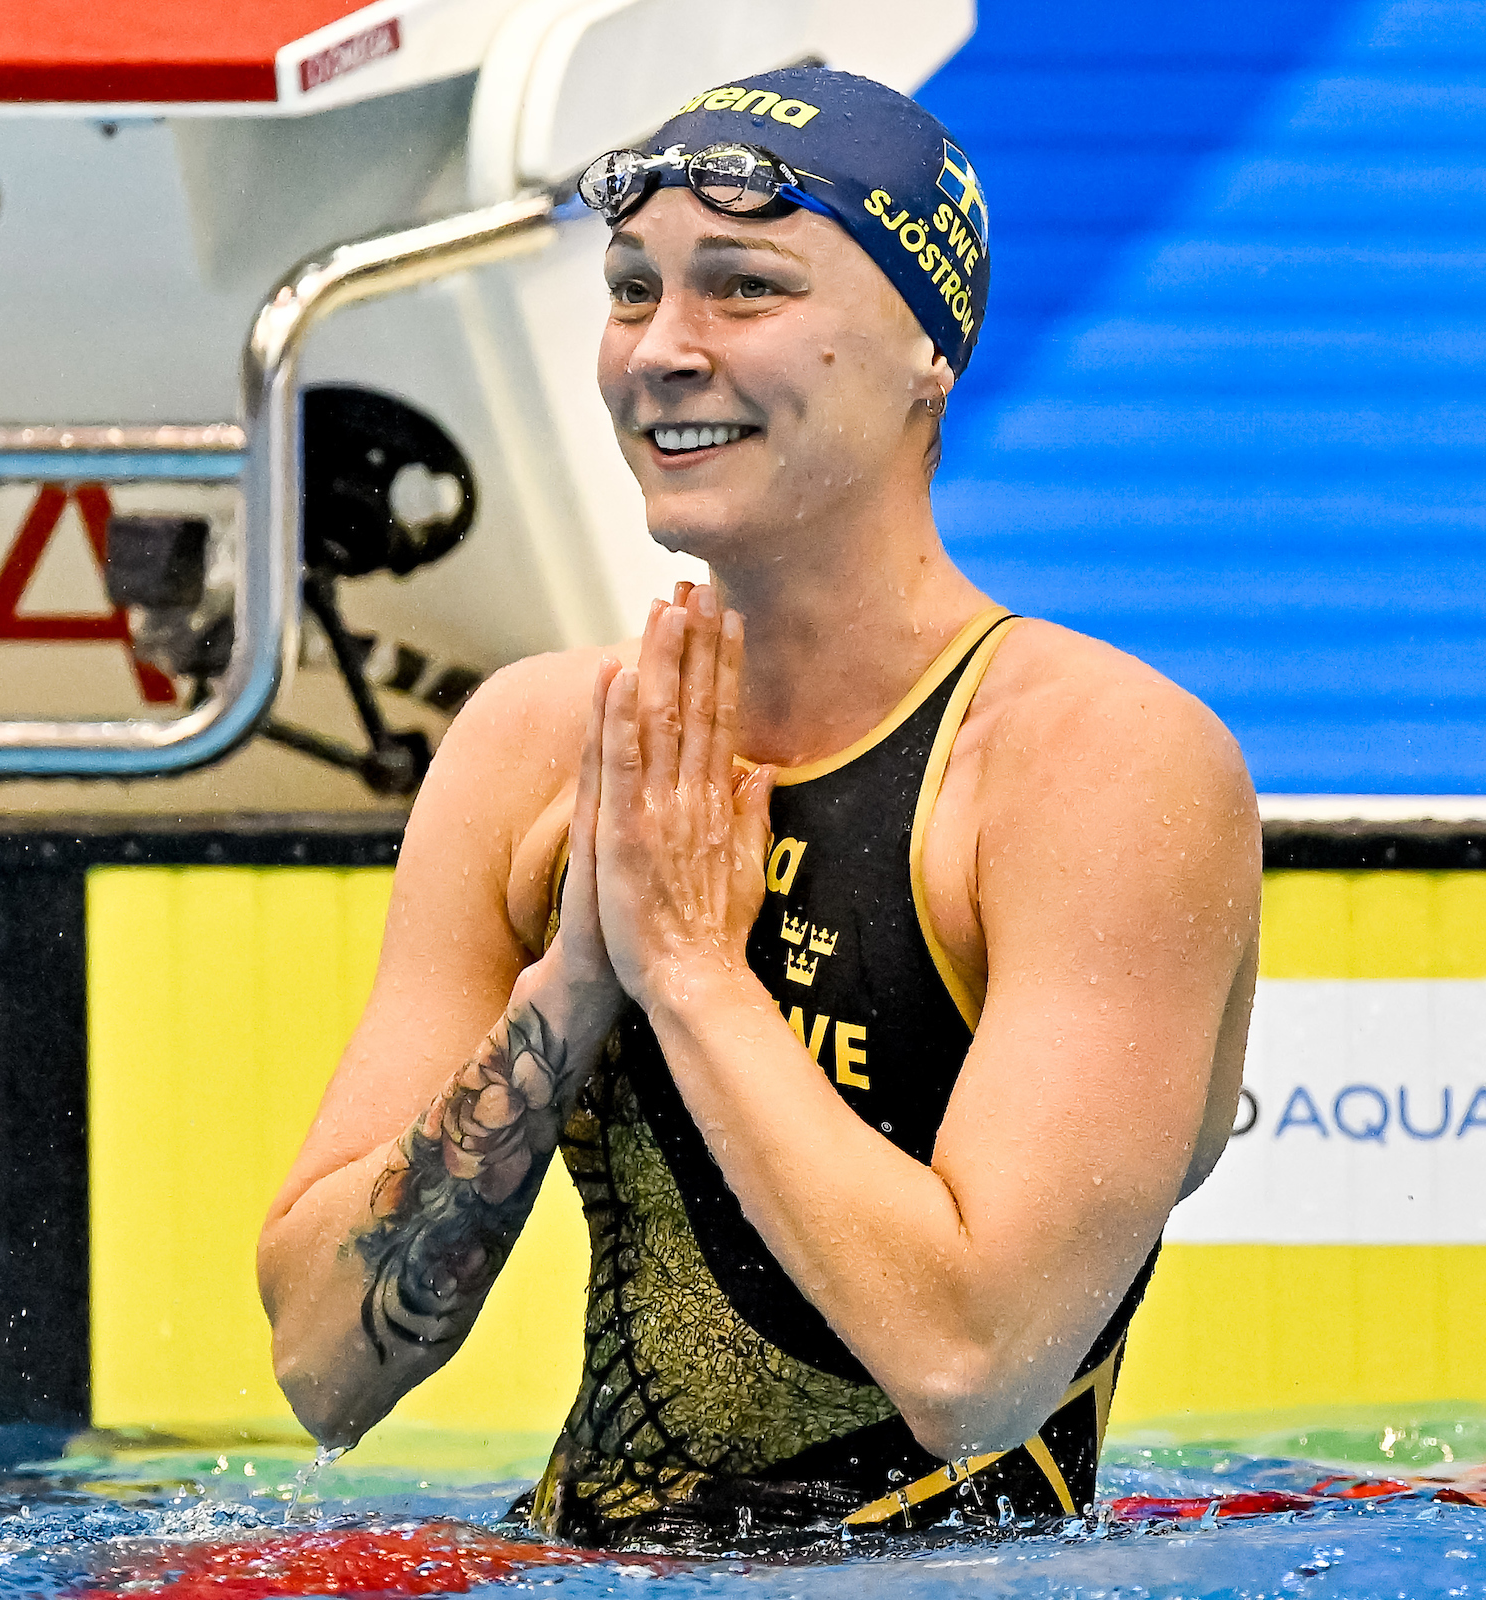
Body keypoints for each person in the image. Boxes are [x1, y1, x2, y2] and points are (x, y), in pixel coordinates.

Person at [255, 66, 1259, 1548]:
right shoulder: (540, 747)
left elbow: (975, 1367)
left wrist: (688, 972)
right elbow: (319, 1369)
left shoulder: (1093, 763)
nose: (662, 350)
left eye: (745, 287)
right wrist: (575, 979)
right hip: (571, 1567)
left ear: (928, 352)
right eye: (631, 290)